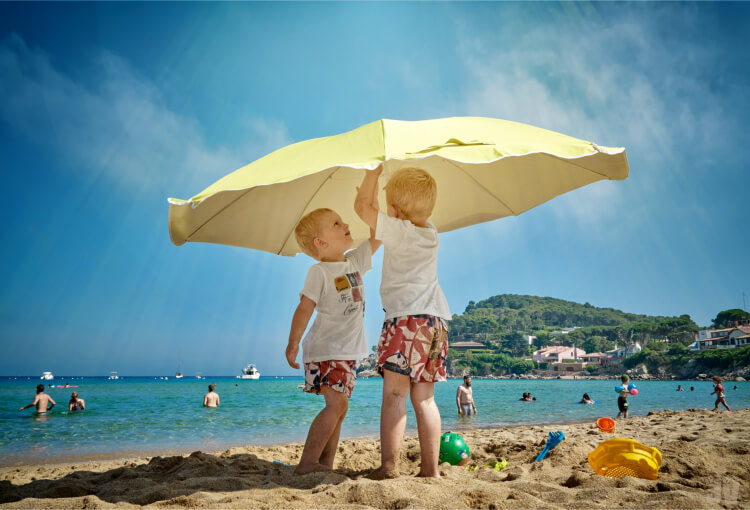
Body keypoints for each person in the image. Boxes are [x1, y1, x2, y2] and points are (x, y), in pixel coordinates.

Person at [355, 165, 451, 479]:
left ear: (395, 212)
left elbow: (363, 209)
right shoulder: (430, 232)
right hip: (435, 322)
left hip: (405, 321)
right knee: (425, 399)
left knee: (395, 395)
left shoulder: (399, 230)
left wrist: (371, 175)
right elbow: (377, 221)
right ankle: (430, 471)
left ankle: (389, 466)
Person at [285, 207, 380, 475]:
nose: (346, 224)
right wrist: (293, 343)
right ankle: (307, 463)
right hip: (327, 349)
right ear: (321, 243)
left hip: (347, 352)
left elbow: (378, 236)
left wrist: (373, 206)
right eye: (336, 223)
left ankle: (324, 465)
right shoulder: (319, 272)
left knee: (341, 407)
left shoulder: (354, 261)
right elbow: (304, 308)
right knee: (336, 405)